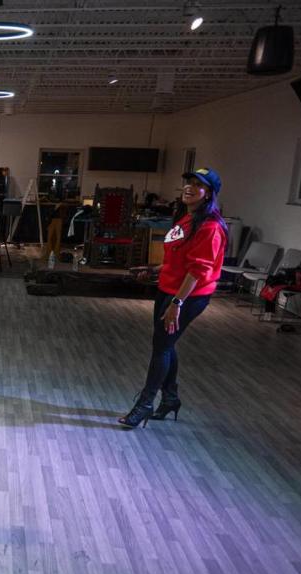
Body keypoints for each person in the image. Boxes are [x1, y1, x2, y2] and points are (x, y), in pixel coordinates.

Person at [120, 168, 228, 429]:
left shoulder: (210, 227)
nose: (189, 188)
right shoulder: (187, 219)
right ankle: (170, 399)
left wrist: (177, 303)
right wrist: (157, 270)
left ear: (209, 193)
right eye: (188, 183)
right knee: (165, 344)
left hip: (187, 297)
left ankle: (144, 404)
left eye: (197, 185)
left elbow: (198, 270)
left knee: (162, 347)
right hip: (169, 289)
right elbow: (179, 258)